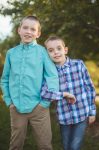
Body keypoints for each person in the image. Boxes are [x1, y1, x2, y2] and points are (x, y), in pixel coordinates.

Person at [1, 16, 60, 150]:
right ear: (19, 30)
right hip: (16, 107)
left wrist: (45, 102)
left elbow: (52, 77)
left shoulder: (43, 52)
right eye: (25, 28)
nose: (28, 31)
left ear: (38, 34)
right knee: (15, 145)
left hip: (39, 107)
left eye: (33, 29)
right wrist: (9, 101)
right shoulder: (11, 53)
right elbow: (4, 79)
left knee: (45, 145)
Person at [41, 35, 96, 150]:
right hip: (64, 116)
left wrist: (92, 112)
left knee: (74, 147)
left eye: (58, 48)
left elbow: (90, 88)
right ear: (47, 54)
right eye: (51, 50)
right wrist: (63, 95)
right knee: (66, 146)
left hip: (82, 113)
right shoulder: (49, 73)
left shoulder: (79, 65)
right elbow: (44, 93)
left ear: (65, 50)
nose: (55, 52)